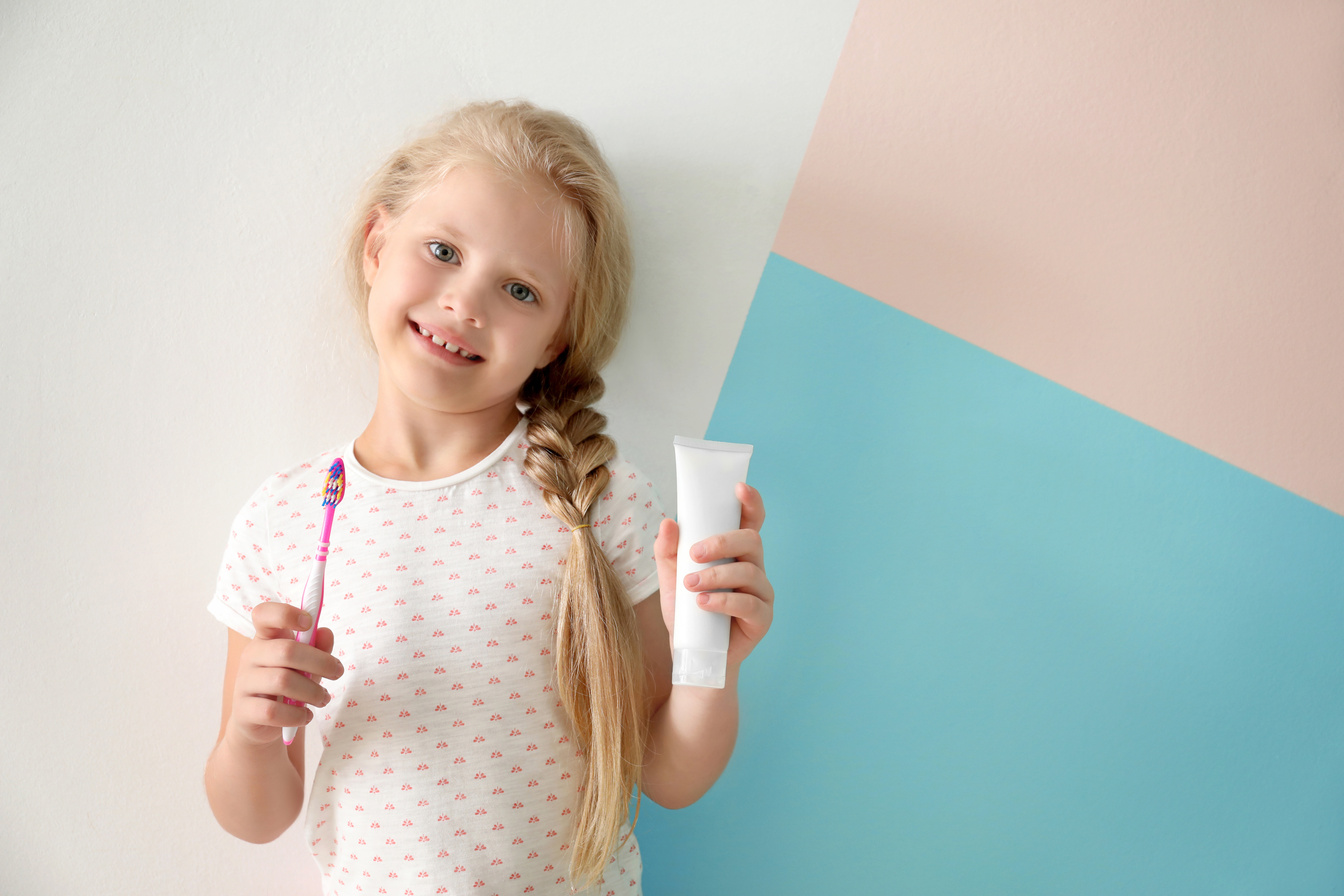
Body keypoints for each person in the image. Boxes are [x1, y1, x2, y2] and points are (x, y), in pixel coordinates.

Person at [204, 100, 774, 895]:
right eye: (442, 250)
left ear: (558, 339)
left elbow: (670, 777)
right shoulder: (285, 518)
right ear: (376, 245)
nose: (466, 304)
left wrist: (715, 666)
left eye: (520, 290)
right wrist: (251, 732)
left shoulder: (601, 505)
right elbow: (255, 815)